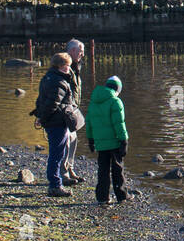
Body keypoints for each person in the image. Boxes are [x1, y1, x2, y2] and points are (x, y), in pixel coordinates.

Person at [32, 52, 80, 197]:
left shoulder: (48, 78)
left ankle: (56, 182)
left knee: (58, 153)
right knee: (57, 154)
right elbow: (53, 103)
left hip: (53, 121)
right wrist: (42, 117)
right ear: (61, 66)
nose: (69, 69)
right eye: (67, 66)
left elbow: (41, 100)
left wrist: (40, 116)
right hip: (57, 122)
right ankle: (55, 185)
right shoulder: (58, 81)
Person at [87, 75, 129, 204]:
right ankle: (121, 196)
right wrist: (124, 140)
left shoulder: (94, 101)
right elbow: (119, 124)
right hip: (114, 142)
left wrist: (91, 139)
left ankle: (102, 197)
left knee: (103, 170)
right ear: (118, 89)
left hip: (100, 142)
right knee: (117, 170)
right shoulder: (115, 101)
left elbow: (89, 122)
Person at [61, 39, 86, 185]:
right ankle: (63, 174)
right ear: (72, 51)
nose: (82, 54)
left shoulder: (76, 67)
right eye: (80, 50)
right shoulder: (65, 67)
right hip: (66, 112)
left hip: (73, 110)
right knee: (66, 143)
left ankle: (70, 169)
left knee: (73, 140)